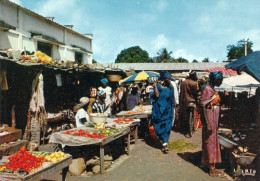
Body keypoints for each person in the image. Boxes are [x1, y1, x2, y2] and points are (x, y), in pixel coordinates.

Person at [200, 71, 226, 177]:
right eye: (220, 80)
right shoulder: (207, 89)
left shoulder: (211, 89)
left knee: (212, 142)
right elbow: (203, 106)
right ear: (215, 79)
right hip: (210, 121)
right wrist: (207, 123)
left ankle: (212, 166)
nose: (221, 82)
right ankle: (212, 169)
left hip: (213, 121)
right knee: (210, 144)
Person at [150, 71, 174, 153]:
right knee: (158, 127)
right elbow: (156, 95)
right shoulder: (158, 86)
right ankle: (162, 140)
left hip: (167, 111)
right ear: (164, 79)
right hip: (158, 111)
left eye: (170, 79)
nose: (170, 80)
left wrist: (174, 109)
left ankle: (164, 145)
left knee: (167, 127)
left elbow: (172, 99)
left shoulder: (171, 87)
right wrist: (155, 86)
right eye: (168, 79)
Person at [178, 70, 198, 135]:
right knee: (190, 114)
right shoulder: (194, 83)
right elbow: (195, 93)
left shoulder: (183, 82)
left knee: (183, 114)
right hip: (190, 100)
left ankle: (183, 128)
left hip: (182, 100)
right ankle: (189, 128)